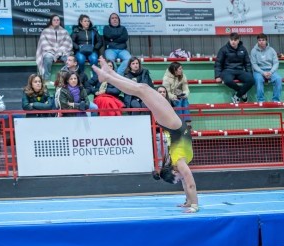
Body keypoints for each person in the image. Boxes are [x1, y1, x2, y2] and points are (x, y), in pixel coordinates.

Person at [92, 57, 199, 213]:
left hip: (171, 124)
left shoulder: (179, 161)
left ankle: (109, 76)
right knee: (142, 88)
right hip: (172, 124)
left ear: (174, 171)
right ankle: (110, 75)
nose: (182, 178)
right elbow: (190, 184)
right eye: (179, 178)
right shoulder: (180, 163)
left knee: (142, 90)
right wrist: (192, 204)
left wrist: (189, 202)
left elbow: (186, 183)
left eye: (178, 178)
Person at [215, 32, 255, 104]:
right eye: (231, 40)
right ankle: (243, 93)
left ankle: (237, 95)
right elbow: (218, 63)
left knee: (251, 80)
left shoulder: (243, 49)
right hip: (227, 70)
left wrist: (249, 74)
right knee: (227, 81)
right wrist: (217, 76)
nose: (233, 41)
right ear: (229, 40)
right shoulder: (223, 49)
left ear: (238, 40)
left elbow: (247, 63)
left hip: (240, 70)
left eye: (235, 40)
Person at [36, 15, 73, 84]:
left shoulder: (64, 31)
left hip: (62, 52)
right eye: (54, 20)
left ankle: (67, 78)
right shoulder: (45, 31)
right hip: (49, 51)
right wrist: (53, 51)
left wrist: (59, 52)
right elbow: (44, 44)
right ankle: (46, 79)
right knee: (47, 57)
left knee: (68, 59)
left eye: (58, 20)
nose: (56, 21)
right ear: (51, 21)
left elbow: (67, 43)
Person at [250, 33, 283, 103]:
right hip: (258, 71)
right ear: (257, 41)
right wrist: (262, 72)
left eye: (263, 40)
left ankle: (275, 100)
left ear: (266, 41)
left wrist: (271, 72)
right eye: (259, 40)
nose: (261, 42)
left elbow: (276, 63)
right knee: (258, 80)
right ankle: (261, 100)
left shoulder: (272, 50)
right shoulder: (253, 51)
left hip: (270, 70)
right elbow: (254, 64)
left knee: (278, 79)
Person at [162, 62, 191, 129]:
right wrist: (173, 97)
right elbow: (166, 92)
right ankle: (181, 122)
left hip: (179, 95)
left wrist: (185, 94)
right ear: (175, 70)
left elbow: (186, 89)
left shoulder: (183, 76)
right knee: (179, 101)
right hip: (171, 98)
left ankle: (187, 122)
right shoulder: (166, 78)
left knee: (184, 100)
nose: (181, 70)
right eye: (180, 69)